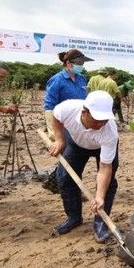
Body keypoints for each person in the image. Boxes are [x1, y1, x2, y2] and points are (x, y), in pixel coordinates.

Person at [47, 91, 119, 242]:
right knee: (65, 178)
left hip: (101, 146)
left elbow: (105, 168)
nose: (101, 124)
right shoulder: (67, 108)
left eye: (105, 120)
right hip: (75, 142)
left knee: (108, 183)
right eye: (97, 119)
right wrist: (60, 140)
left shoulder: (110, 133)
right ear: (84, 112)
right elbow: (56, 117)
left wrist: (99, 197)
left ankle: (101, 222)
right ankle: (74, 217)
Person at [41, 49, 92, 193]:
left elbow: (85, 100)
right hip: (62, 123)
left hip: (79, 123)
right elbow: (50, 106)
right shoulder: (57, 80)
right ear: (69, 63)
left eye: (83, 63)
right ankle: (68, 187)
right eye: (80, 63)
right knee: (72, 156)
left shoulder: (82, 79)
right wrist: (54, 134)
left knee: (74, 156)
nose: (82, 66)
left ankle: (55, 182)